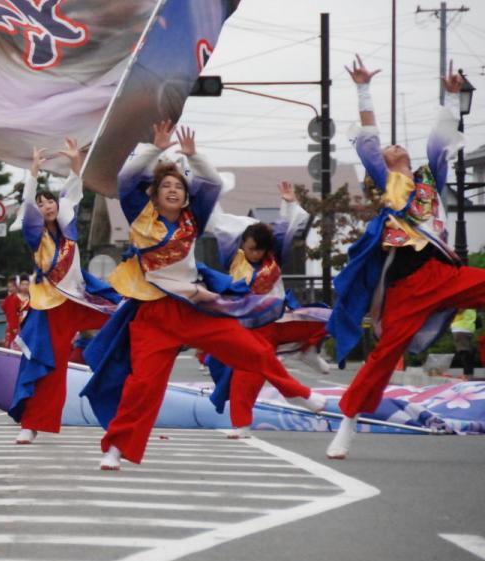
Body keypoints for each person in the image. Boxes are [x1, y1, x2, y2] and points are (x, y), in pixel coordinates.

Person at [83, 122, 324, 470]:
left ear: (186, 196)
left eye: (178, 187)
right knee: (142, 386)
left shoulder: (192, 218)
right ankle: (116, 449)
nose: (172, 190)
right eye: (164, 185)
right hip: (153, 317)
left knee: (252, 348)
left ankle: (299, 393)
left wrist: (193, 158)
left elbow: (210, 184)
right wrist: (155, 148)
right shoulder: (141, 213)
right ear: (153, 193)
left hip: (195, 309)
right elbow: (127, 178)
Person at [325, 59, 484, 459]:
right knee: (383, 357)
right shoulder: (388, 184)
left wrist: (450, 94)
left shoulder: (430, 177)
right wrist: (363, 90)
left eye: (398, 146)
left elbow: (441, 139)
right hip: (406, 289)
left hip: (442, 274)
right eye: (388, 149)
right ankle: (347, 423)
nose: (394, 147)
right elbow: (368, 141)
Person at [10, 140, 120, 445]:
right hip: (48, 307)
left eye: (50, 202)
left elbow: (73, 191)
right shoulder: (36, 234)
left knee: (124, 316)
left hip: (78, 300)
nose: (46, 207)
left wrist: (75, 163)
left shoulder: (69, 229)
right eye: (42, 203)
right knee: (46, 365)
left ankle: (122, 381)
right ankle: (30, 423)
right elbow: (27, 206)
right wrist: (33, 171)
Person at [203, 180, 332, 438]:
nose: (255, 254)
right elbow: (215, 220)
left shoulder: (274, 255)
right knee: (245, 377)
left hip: (279, 320)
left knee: (328, 318)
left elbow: (286, 227)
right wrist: (208, 185)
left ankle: (307, 349)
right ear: (242, 245)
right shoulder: (232, 255)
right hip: (250, 329)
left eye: (260, 250)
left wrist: (288, 202)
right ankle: (242, 425)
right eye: (251, 249)